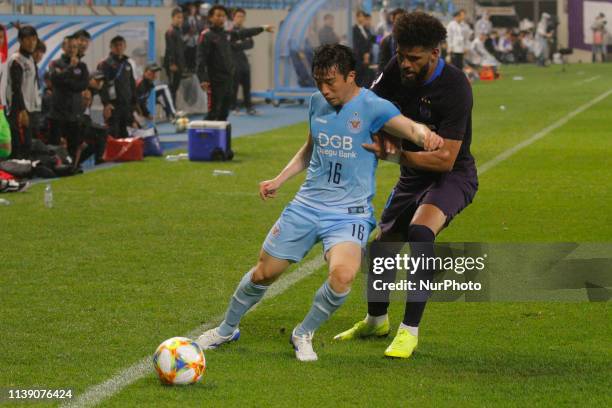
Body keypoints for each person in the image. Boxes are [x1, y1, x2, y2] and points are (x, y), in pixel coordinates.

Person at [195, 43, 444, 362]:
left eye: (331, 82)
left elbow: (408, 127)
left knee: (342, 276)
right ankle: (226, 329)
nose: (324, 90)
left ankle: (303, 333)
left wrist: (427, 138)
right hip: (306, 206)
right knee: (263, 274)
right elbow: (311, 148)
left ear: (351, 76)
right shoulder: (316, 103)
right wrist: (279, 179)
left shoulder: (373, 106)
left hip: (350, 215)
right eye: (318, 82)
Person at [335, 11, 478, 359]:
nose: (405, 64)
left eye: (414, 58)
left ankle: (408, 331)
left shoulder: (456, 87)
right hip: (412, 175)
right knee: (383, 246)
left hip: (451, 175)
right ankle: (376, 320)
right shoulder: (395, 71)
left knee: (420, 233)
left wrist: (395, 155)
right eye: (401, 55)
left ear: (435, 54)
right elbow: (367, 108)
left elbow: (445, 158)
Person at [197, 5, 273, 121]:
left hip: (228, 80)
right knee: (213, 113)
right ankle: (201, 138)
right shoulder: (206, 35)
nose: (221, 18)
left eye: (223, 16)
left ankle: (222, 139)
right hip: (214, 81)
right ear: (210, 17)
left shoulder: (227, 34)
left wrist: (262, 28)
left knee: (224, 114)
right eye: (218, 15)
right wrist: (203, 78)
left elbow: (245, 33)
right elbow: (200, 59)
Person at [48, 35, 89, 158]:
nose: (72, 49)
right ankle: (55, 170)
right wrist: (70, 68)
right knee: (55, 147)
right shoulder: (55, 63)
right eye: (69, 46)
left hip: (75, 114)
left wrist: (66, 82)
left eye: (75, 47)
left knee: (74, 145)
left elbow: (83, 85)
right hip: (58, 114)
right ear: (63, 47)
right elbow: (55, 80)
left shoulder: (82, 66)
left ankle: (72, 168)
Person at [230, 8, 273, 116]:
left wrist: (239, 44)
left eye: (242, 16)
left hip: (244, 61)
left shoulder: (245, 31)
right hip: (233, 61)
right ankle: (234, 107)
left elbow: (250, 44)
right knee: (234, 85)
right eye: (238, 16)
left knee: (247, 85)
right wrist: (240, 44)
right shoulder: (230, 31)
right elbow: (232, 46)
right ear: (233, 17)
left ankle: (249, 107)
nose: (240, 18)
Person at [6, 25, 40, 159]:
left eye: (34, 39)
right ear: (20, 40)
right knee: (19, 145)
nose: (32, 42)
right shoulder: (17, 60)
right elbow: (16, 88)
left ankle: (25, 173)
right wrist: (22, 110)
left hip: (29, 108)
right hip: (18, 109)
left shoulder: (30, 58)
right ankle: (15, 175)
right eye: (27, 39)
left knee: (27, 145)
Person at [98, 35, 137, 139]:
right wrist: (106, 104)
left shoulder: (128, 63)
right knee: (114, 134)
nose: (119, 47)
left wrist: (134, 102)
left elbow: (132, 83)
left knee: (127, 134)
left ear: (125, 46)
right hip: (114, 106)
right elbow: (103, 85)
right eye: (116, 45)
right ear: (111, 47)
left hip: (127, 105)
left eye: (121, 45)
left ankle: (126, 155)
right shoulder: (106, 64)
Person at [164, 8, 186, 105]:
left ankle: (173, 108)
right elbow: (170, 49)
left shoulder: (179, 31)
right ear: (173, 18)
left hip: (179, 63)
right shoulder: (170, 32)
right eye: (178, 17)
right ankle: (171, 111)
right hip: (173, 65)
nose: (180, 20)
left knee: (175, 87)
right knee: (172, 88)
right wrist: (171, 63)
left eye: (181, 18)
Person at [352, 10, 376, 87]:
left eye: (363, 16)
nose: (362, 18)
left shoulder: (366, 29)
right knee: (359, 77)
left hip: (368, 57)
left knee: (367, 76)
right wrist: (364, 54)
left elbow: (372, 39)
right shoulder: (354, 29)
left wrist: (382, 37)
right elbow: (357, 44)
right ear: (357, 18)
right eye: (360, 16)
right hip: (359, 57)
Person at [378, 8, 405, 72]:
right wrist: (381, 40)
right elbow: (378, 38)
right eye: (383, 14)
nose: (385, 15)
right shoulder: (380, 26)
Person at [183, 3, 205, 73]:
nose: (193, 10)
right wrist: (189, 34)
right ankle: (188, 70)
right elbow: (183, 31)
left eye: (194, 9)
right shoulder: (185, 19)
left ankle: (194, 71)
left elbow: (201, 28)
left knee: (195, 58)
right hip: (188, 42)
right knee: (188, 58)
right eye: (191, 9)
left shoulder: (198, 18)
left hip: (196, 41)